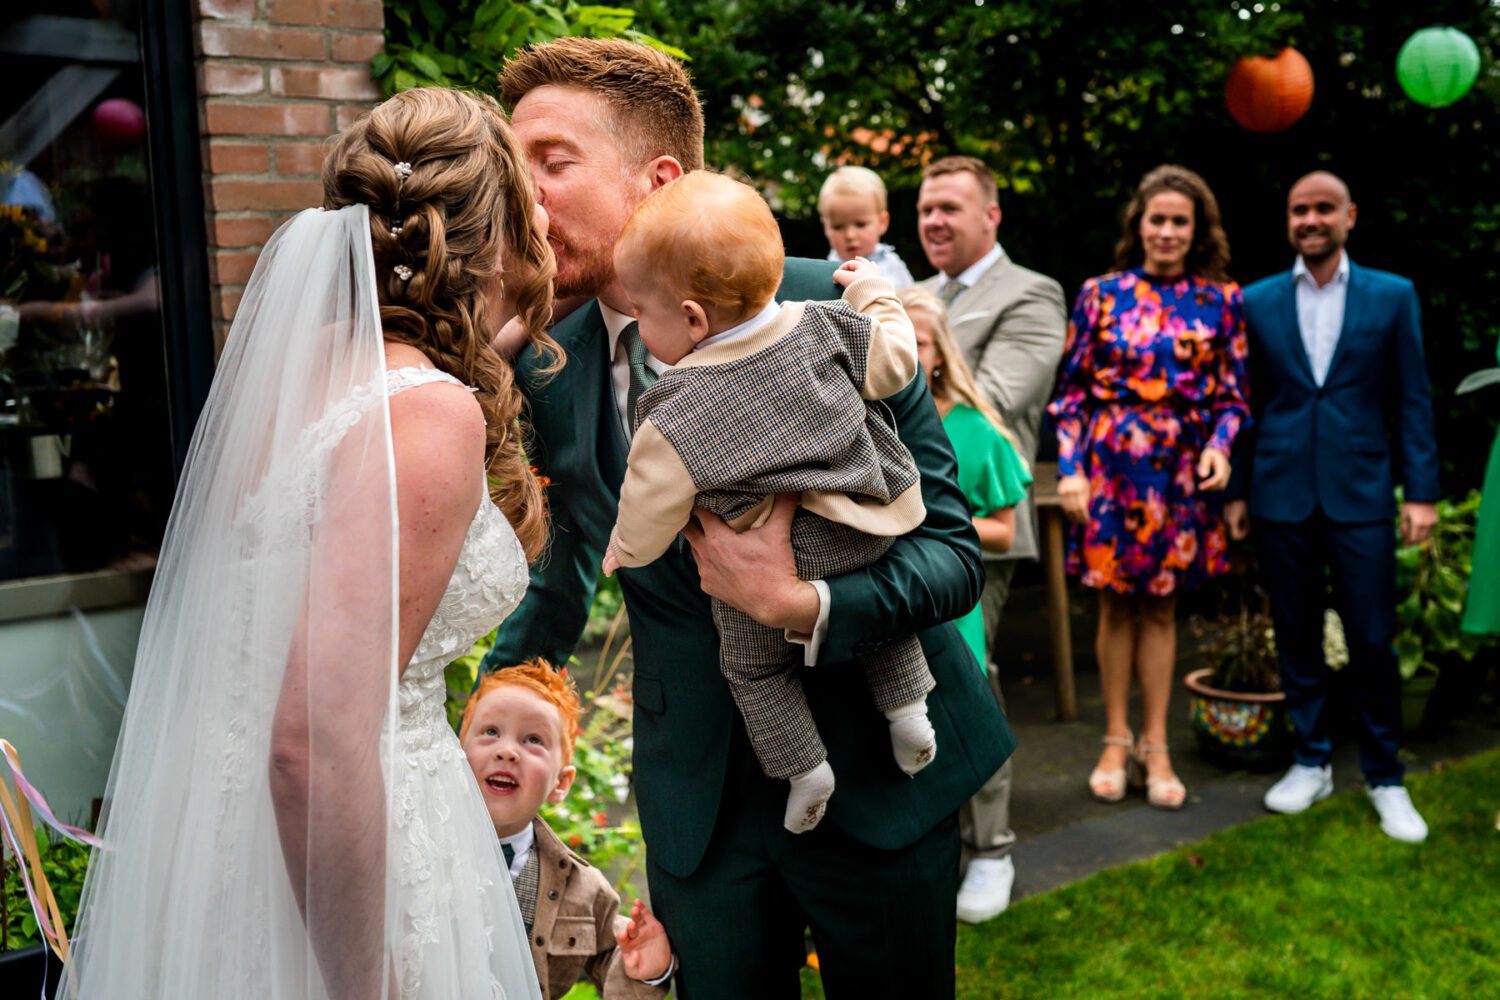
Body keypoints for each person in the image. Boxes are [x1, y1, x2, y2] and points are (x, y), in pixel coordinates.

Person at [481, 37, 1013, 998]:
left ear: (659, 180)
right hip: (699, 808)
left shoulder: (825, 306)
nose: (525, 196)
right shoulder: (545, 359)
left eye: (551, 163)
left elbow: (951, 554)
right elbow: (563, 564)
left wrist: (803, 602)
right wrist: (486, 714)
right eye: (515, 168)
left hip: (876, 777)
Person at [63, 88, 554, 999]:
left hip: (228, 843)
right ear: (495, 241)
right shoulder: (431, 417)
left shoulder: (305, 373)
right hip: (355, 857)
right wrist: (364, 983)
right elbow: (315, 741)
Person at [603, 172, 937, 834]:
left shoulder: (677, 406)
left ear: (693, 318)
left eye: (643, 313)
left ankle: (804, 768)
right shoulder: (825, 325)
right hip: (864, 525)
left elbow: (651, 498)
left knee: (753, 668)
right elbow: (898, 362)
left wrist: (626, 549)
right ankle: (910, 712)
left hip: (769, 559)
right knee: (885, 626)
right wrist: (873, 290)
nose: (640, 327)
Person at [1225, 170, 1439, 843]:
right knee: (1295, 631)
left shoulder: (1392, 295)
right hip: (1280, 491)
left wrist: (1423, 492)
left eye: (1323, 209)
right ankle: (1311, 758)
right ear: (1288, 221)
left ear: (1350, 215)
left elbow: (1412, 399)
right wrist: (1235, 490)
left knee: (1372, 636)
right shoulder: (1254, 301)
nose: (1310, 219)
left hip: (1362, 491)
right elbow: (1242, 405)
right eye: (1298, 210)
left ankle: (1385, 775)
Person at [1048, 164, 1250, 812]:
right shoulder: (1101, 294)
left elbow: (1233, 398)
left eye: (1179, 222)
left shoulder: (1223, 301)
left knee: (1162, 607)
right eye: (1156, 219)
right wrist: (1072, 468)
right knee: (1113, 607)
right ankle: (1114, 740)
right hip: (1110, 470)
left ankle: (1156, 745)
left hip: (1179, 473)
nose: (1166, 231)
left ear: (1197, 232)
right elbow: (1071, 395)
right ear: (1139, 225)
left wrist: (1220, 449)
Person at [914, 154, 1065, 921]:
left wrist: (911, 352)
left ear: (990, 215)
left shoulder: (1033, 295)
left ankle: (992, 847)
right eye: (925, 209)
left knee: (969, 676)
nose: (933, 221)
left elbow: (995, 398)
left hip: (981, 526)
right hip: (896, 530)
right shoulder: (914, 294)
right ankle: (929, 837)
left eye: (949, 207)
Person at [459, 661, 675, 999]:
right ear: (455, 754)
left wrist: (645, 973)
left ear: (561, 783)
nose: (507, 751)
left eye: (533, 739)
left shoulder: (582, 889)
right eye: (490, 732)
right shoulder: (409, 856)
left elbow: (611, 958)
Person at [898, 287, 1032, 673]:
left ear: (939, 354)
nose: (904, 349)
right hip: (884, 598)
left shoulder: (978, 432)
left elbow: (1004, 532)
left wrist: (924, 520)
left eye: (918, 342)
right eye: (893, 337)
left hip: (948, 599)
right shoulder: (861, 422)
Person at [819, 165, 914, 287]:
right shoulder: (826, 272)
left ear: (882, 222)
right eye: (838, 227)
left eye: (860, 225)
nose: (850, 235)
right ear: (826, 228)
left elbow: (912, 299)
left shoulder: (893, 265)